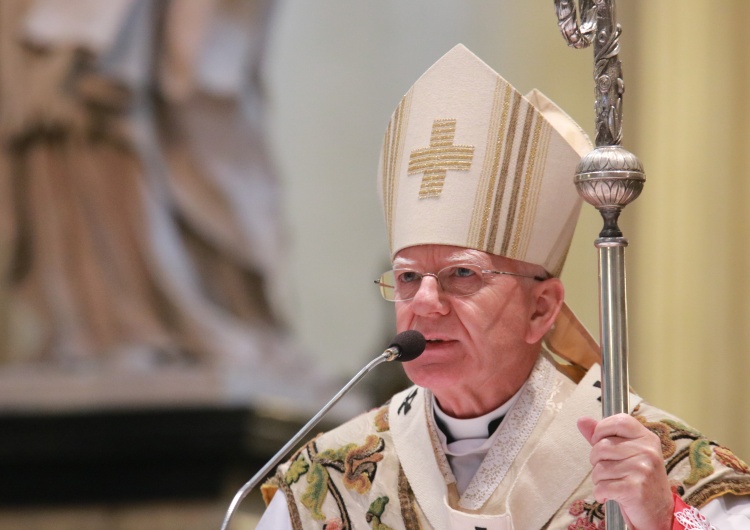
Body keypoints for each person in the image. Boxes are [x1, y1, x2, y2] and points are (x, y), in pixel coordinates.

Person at [256, 44, 750, 529]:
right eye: (408, 277)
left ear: (542, 309)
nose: (425, 303)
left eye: (462, 274)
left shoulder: (661, 467)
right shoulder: (327, 482)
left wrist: (664, 519)